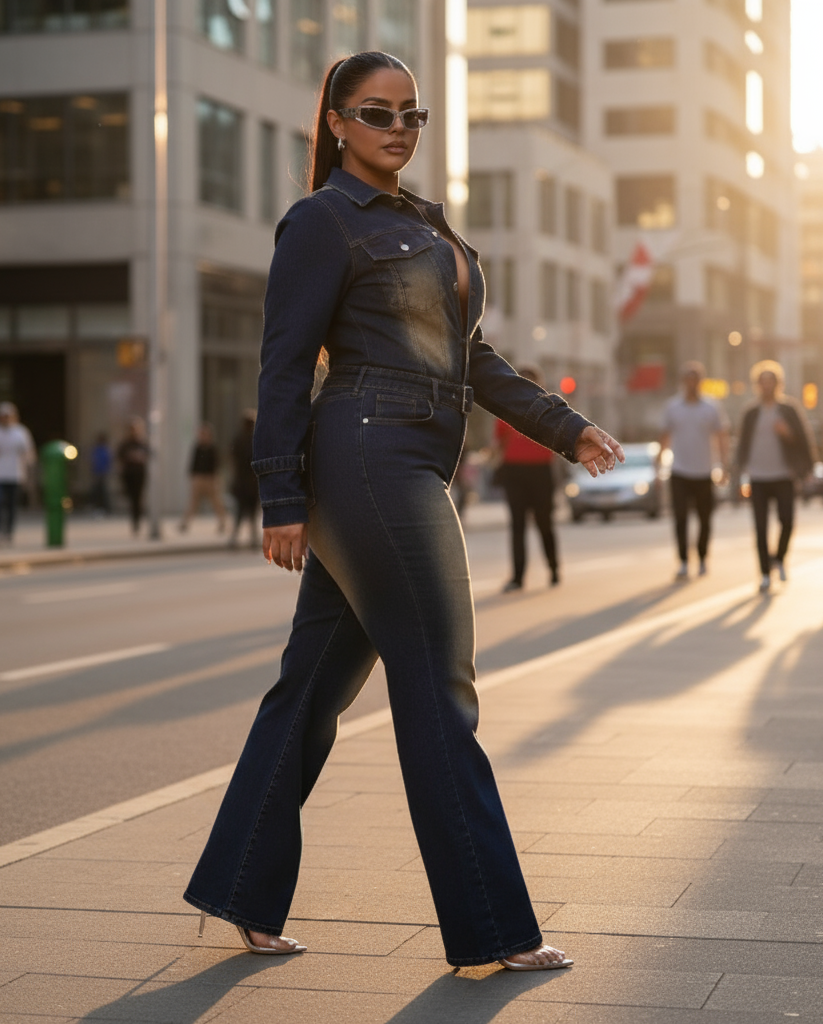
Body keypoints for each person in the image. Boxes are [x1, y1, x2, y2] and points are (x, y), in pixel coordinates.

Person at [183, 51, 623, 972]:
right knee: (438, 687)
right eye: (377, 113)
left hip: (409, 455)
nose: (398, 128)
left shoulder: (425, 225)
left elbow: (473, 358)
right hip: (371, 459)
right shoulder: (321, 221)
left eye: (413, 116)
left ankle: (241, 895)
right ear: (337, 122)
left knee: (308, 691)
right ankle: (492, 932)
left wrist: (567, 427)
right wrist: (279, 496)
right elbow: (281, 361)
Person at [735, 361, 816, 593]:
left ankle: (779, 558)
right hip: (758, 476)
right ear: (758, 385)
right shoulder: (751, 412)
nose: (767, 386)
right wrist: (739, 473)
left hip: (784, 475)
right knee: (760, 527)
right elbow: (742, 445)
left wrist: (788, 435)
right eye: (763, 382)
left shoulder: (788, 409)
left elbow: (803, 439)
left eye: (771, 381)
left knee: (787, 521)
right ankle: (764, 574)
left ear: (778, 384)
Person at [658, 362, 729, 581]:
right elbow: (664, 437)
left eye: (695, 379)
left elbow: (721, 436)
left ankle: (702, 557)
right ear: (682, 382)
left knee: (705, 519)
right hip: (679, 471)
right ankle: (683, 561)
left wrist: (724, 466)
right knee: (680, 518)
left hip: (704, 471)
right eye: (688, 379)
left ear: (701, 381)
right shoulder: (673, 407)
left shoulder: (711, 407)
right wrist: (658, 465)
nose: (692, 384)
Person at [493, 365, 560, 590]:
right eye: (521, 380)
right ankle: (518, 577)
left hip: (541, 471)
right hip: (514, 471)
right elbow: (500, 441)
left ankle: (553, 568)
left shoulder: (549, 408)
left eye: (530, 381)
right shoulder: (506, 408)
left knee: (544, 523)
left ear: (539, 384)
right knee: (517, 525)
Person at [0, 402, 35, 547]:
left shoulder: (21, 432)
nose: (5, 419)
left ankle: (9, 532)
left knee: (11, 505)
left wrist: (29, 472)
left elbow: (29, 453)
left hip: (15, 474)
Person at [180, 422, 227, 533]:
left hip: (210, 479)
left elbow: (216, 465)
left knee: (216, 502)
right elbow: (193, 463)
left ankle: (223, 522)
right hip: (199, 478)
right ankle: (185, 523)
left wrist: (215, 478)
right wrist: (192, 476)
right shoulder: (197, 447)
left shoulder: (212, 448)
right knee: (193, 502)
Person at [227, 412, 259, 548]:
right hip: (252, 483)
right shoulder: (255, 440)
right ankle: (253, 540)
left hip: (241, 482)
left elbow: (231, 460)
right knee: (251, 514)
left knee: (239, 514)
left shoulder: (238, 439)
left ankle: (235, 539)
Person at [117, 417, 149, 535]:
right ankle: (135, 519)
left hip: (139, 474)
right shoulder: (125, 444)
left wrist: (140, 457)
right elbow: (119, 456)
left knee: (137, 498)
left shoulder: (142, 443)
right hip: (129, 474)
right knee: (131, 498)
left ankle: (137, 522)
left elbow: (148, 454)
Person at [89, 432, 112, 516]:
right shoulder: (97, 449)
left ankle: (105, 508)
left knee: (103, 491)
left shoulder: (105, 450)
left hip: (102, 473)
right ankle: (97, 507)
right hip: (97, 472)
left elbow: (108, 462)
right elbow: (93, 461)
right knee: (97, 491)